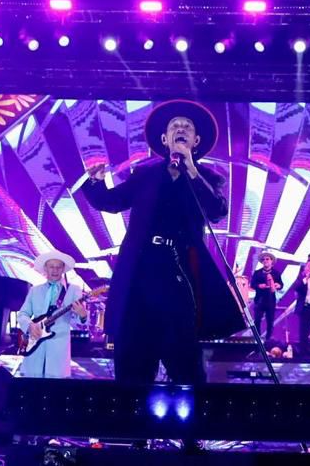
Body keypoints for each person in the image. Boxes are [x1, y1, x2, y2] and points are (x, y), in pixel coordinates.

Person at [82, 100, 244, 384]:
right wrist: (95, 183)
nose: (180, 128)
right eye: (174, 126)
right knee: (133, 361)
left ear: (196, 141)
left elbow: (217, 211)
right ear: (164, 139)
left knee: (185, 362)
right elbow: (112, 201)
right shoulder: (145, 175)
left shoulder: (206, 178)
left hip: (180, 273)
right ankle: (133, 405)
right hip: (141, 271)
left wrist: (191, 169)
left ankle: (188, 409)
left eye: (187, 126)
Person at [17, 250, 87, 378]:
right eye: (51, 267)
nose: (55, 270)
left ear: (63, 269)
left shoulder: (73, 290)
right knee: (32, 385)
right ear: (45, 269)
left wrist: (82, 315)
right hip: (34, 345)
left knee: (56, 386)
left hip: (58, 347)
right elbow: (23, 314)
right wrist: (30, 325)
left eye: (58, 267)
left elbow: (79, 321)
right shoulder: (34, 290)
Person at [250, 252, 283, 342]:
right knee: (257, 320)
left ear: (271, 261)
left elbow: (281, 284)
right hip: (259, 299)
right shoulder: (257, 273)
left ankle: (268, 342)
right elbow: (252, 284)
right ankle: (257, 340)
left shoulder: (276, 273)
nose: (265, 261)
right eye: (263, 259)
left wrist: (278, 285)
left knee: (270, 321)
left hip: (270, 300)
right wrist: (259, 286)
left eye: (267, 259)